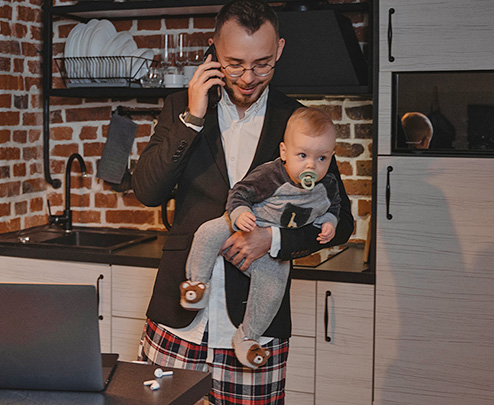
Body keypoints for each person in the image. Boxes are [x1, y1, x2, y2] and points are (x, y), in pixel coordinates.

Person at [132, 0, 354, 402]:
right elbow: (147, 191)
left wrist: (274, 240)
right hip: (178, 320)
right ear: (214, 50)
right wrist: (193, 120)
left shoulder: (301, 123)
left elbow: (342, 221)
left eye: (263, 64)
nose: (249, 77)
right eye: (234, 63)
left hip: (253, 329)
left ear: (280, 50)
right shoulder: (180, 109)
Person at [179, 107, 342, 369]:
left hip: (270, 249)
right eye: (302, 156)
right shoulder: (272, 174)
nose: (311, 165)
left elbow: (335, 208)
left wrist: (330, 223)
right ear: (284, 152)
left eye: (321, 158)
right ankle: (196, 284)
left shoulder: (328, 185)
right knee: (207, 232)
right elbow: (240, 192)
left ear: (331, 156)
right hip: (242, 224)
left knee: (272, 288)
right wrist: (240, 212)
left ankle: (247, 337)